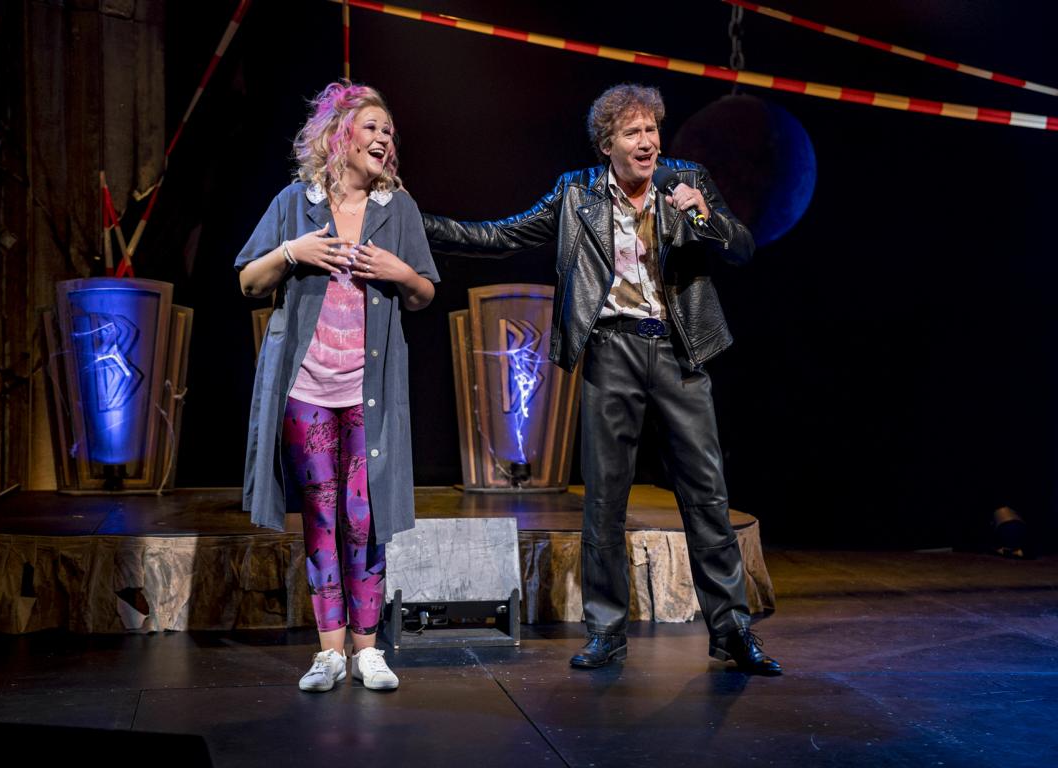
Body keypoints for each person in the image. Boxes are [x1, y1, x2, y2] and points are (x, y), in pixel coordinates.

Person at [423, 83, 781, 675]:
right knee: (605, 499)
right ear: (607, 144)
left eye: (652, 130)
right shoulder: (576, 193)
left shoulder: (686, 180)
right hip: (612, 350)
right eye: (633, 132)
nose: (648, 142)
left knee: (707, 495)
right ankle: (606, 631)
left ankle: (732, 631)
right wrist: (419, 223)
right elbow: (501, 235)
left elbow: (741, 247)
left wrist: (701, 212)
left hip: (679, 351)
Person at [236, 80, 439, 692]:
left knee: (363, 516)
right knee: (320, 517)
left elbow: (424, 292)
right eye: (372, 127)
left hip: (368, 392)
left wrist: (399, 271)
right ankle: (329, 652)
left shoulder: (397, 209)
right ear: (339, 135)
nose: (384, 138)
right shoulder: (295, 204)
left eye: (388, 130)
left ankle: (368, 649)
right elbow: (248, 282)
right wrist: (292, 251)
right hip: (308, 390)